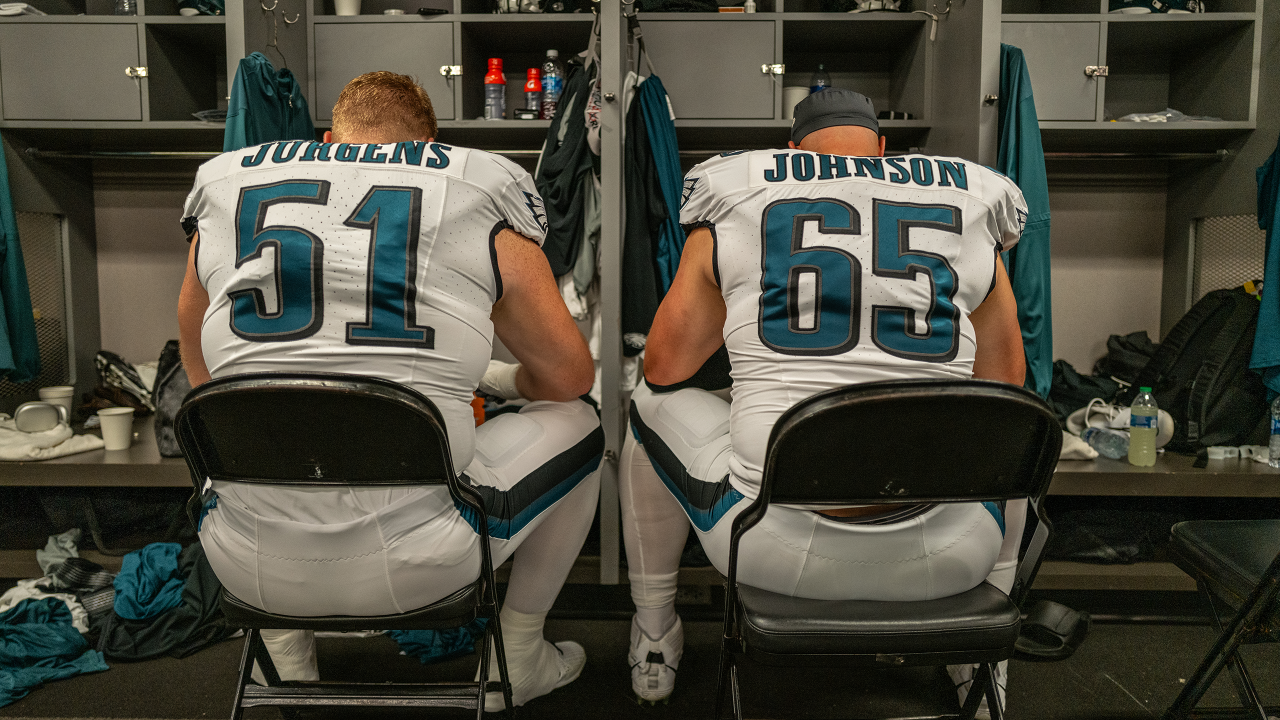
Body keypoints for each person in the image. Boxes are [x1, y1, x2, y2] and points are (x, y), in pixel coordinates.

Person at [177, 71, 602, 711]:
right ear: (431, 146)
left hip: (245, 560)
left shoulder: (225, 187)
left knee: (242, 423)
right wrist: (495, 377)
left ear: (327, 140)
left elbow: (201, 370)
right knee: (582, 419)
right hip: (426, 559)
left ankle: (286, 665)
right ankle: (516, 653)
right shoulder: (474, 189)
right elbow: (569, 378)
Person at [620, 89, 1029, 718]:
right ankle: (981, 656)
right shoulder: (969, 201)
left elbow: (666, 366)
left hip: (769, 547)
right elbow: (1006, 382)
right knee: (1014, 430)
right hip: (955, 552)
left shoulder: (741, 191)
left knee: (646, 401)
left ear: (794, 151)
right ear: (883, 149)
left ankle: (653, 637)